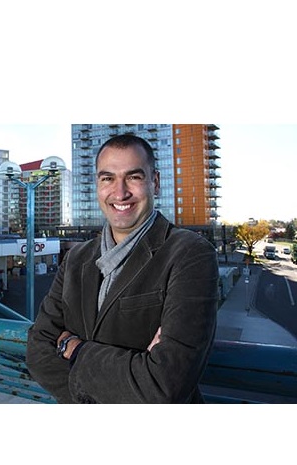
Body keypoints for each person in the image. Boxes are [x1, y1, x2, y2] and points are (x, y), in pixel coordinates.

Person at [25, 134, 220, 403]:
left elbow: (165, 384)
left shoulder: (190, 254)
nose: (120, 192)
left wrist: (76, 349)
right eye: (108, 178)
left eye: (134, 177)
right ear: (97, 185)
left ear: (155, 182)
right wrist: (131, 372)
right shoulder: (76, 258)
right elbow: (37, 352)